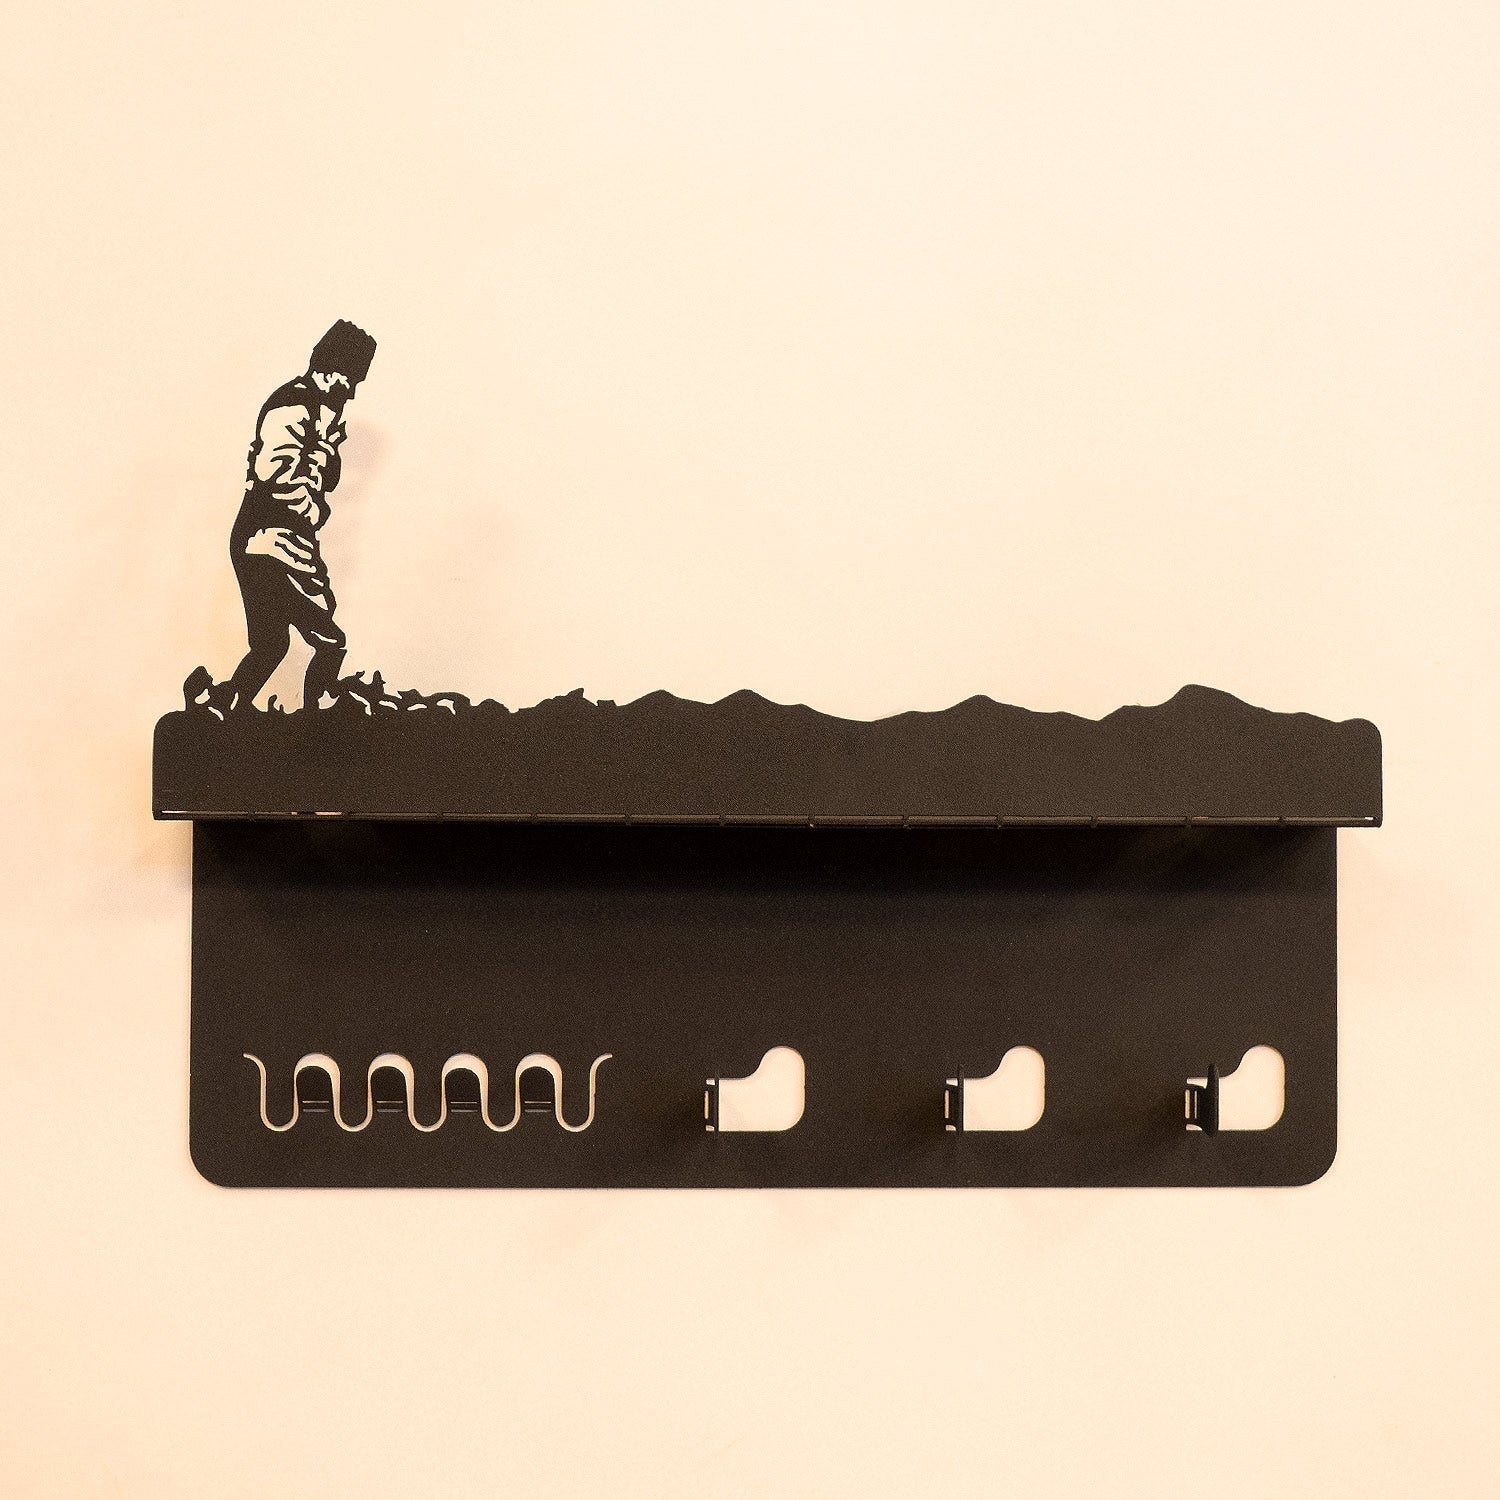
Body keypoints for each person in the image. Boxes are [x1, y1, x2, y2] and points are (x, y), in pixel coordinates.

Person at [215, 319, 377, 712]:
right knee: (329, 640)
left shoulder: (319, 412)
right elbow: (276, 472)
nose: (352, 392)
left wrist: (327, 445)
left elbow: (325, 477)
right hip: (275, 537)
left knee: (271, 644)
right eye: (350, 380)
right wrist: (312, 510)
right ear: (328, 369)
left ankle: (225, 707)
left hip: (266, 537)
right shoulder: (292, 406)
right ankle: (319, 717)